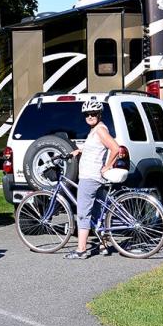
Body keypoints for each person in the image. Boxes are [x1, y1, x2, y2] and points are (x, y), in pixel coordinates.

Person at [64, 100, 120, 259]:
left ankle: (81, 249)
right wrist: (78, 151)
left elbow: (115, 148)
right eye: (87, 114)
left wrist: (107, 166)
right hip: (97, 178)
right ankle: (104, 245)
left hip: (90, 178)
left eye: (93, 114)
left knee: (83, 213)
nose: (90, 116)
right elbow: (96, 148)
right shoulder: (97, 130)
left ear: (99, 114)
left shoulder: (100, 130)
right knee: (98, 213)